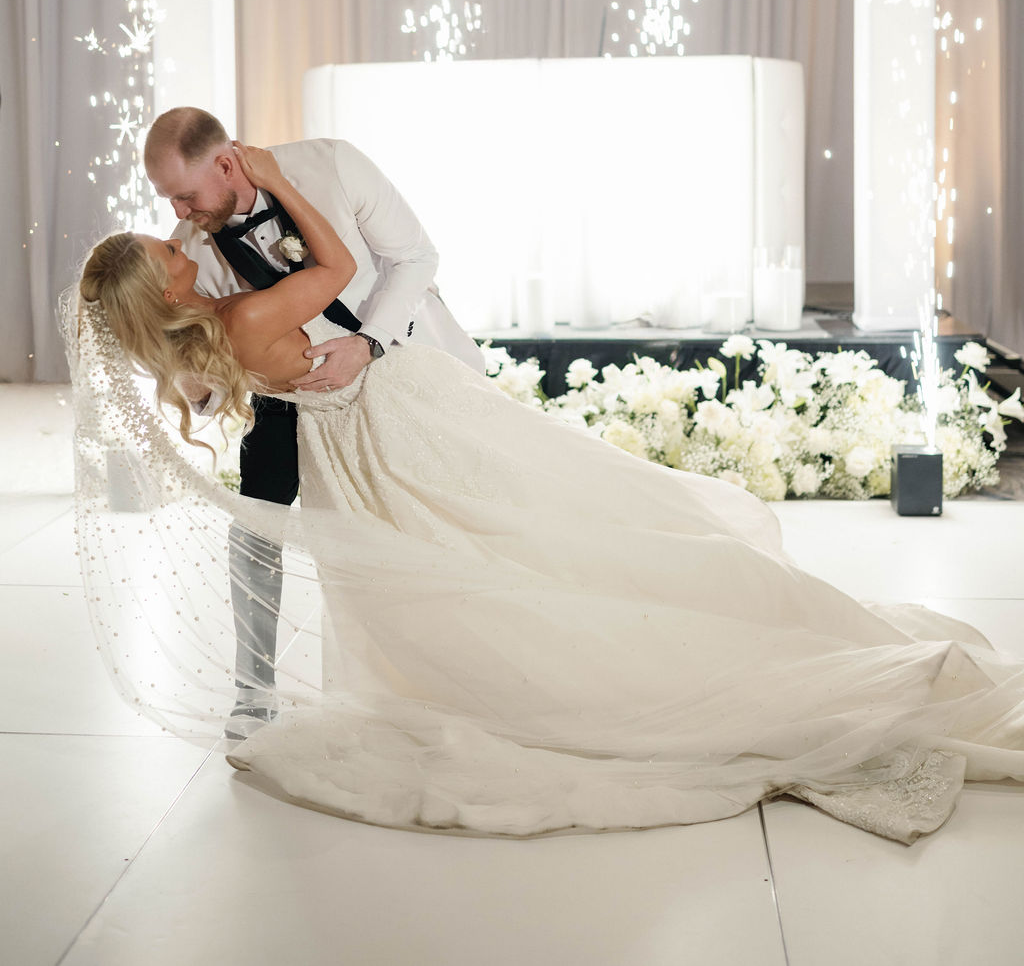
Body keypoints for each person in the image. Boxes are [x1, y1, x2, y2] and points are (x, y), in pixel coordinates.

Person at [73, 147, 1024, 844]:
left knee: (487, 540)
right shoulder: (241, 308)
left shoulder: (202, 334)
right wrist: (278, 183)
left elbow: (389, 270)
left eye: (175, 214)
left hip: (353, 436)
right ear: (166, 291)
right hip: (392, 415)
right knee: (517, 525)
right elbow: (334, 271)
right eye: (164, 245)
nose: (177, 232)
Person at [142, 109, 483, 736]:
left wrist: (370, 343)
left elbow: (415, 256)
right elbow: (209, 361)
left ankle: (454, 670)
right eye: (169, 199)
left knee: (440, 512)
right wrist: (196, 383)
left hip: (399, 351)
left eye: (184, 195)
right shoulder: (188, 246)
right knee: (255, 523)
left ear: (226, 164)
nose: (180, 213)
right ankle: (252, 690)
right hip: (291, 388)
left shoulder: (332, 164)